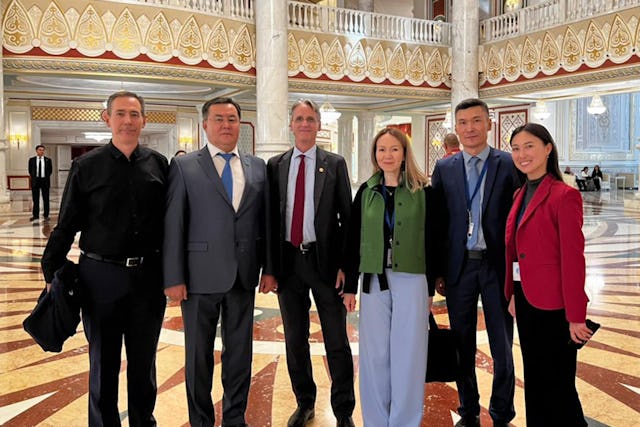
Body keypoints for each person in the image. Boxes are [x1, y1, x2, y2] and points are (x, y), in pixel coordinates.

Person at [40, 91, 168, 426]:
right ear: (106, 118)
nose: (128, 121)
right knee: (103, 362)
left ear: (144, 120)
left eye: (135, 114)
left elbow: (171, 223)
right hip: (100, 277)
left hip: (148, 278)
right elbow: (66, 223)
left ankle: (144, 422)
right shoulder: (86, 166)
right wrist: (51, 272)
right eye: (121, 114)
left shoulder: (159, 164)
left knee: (144, 363)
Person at [163, 97, 276, 427]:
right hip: (197, 278)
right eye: (219, 119)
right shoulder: (185, 166)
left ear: (239, 124)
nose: (226, 125)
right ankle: (200, 421)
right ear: (205, 125)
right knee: (198, 357)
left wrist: (269, 267)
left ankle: (235, 418)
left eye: (232, 119)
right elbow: (174, 223)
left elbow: (264, 222)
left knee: (239, 355)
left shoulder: (257, 166)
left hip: (243, 275)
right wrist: (173, 276)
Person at [430, 98, 521, 427]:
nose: (470, 128)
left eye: (476, 121)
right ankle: (468, 411)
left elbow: (519, 220)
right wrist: (438, 271)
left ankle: (501, 414)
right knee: (462, 344)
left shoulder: (508, 164)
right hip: (459, 269)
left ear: (489, 124)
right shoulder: (444, 169)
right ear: (456, 129)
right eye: (463, 123)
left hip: (497, 268)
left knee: (502, 346)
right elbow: (438, 224)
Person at [267, 99, 355, 427]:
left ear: (319, 125)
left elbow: (347, 218)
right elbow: (270, 221)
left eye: (310, 119)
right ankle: (305, 402)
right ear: (291, 124)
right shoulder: (275, 165)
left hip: (326, 265)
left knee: (336, 340)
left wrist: (348, 266)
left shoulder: (335, 164)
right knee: (295, 339)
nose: (305, 124)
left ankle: (343, 409)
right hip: (290, 264)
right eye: (299, 118)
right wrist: (271, 269)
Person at [342, 127, 438, 426]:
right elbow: (351, 238)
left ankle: (405, 421)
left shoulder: (424, 192)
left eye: (394, 149)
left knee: (409, 352)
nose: (387, 155)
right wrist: (349, 288)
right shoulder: (367, 191)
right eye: (381, 149)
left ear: (405, 153)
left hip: (412, 278)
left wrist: (433, 284)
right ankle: (375, 419)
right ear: (374, 155)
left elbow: (435, 238)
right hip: (372, 278)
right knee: (374, 354)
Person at [506, 123, 592, 426]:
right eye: (516, 148)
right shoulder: (520, 193)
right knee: (536, 379)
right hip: (527, 300)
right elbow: (517, 251)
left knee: (559, 385)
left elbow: (573, 259)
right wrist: (513, 293)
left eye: (529, 146)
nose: (521, 154)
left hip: (556, 304)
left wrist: (577, 315)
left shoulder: (563, 195)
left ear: (547, 148)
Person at [28, 144, 53, 221]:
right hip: (35, 181)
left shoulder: (48, 160)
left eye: (43, 150)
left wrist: (45, 177)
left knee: (46, 199)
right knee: (35, 199)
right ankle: (35, 215)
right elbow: (30, 171)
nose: (41, 151)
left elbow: (50, 171)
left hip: (45, 181)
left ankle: (46, 215)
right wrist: (35, 177)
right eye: (40, 150)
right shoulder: (31, 160)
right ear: (36, 151)